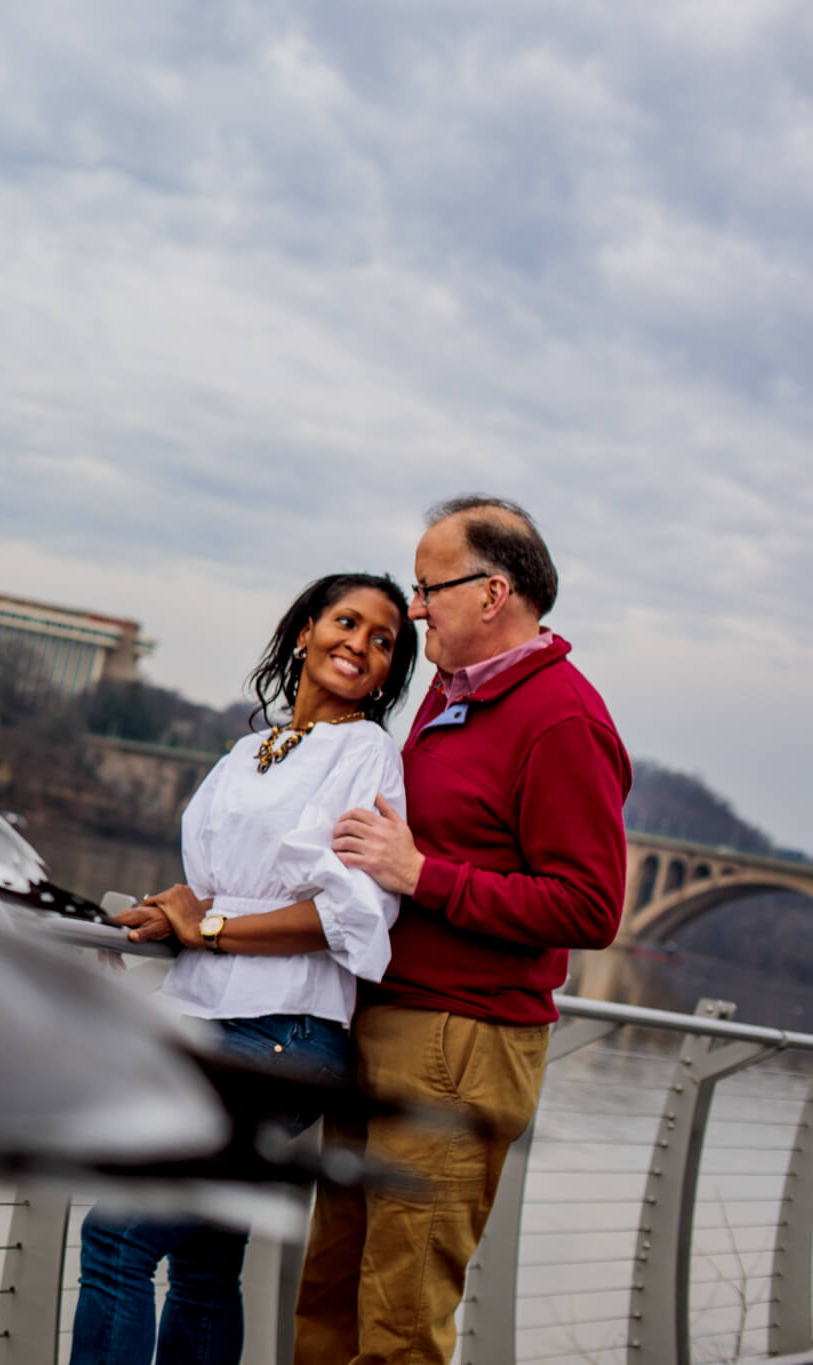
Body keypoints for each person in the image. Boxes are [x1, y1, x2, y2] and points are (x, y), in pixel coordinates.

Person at [292, 496, 632, 1365]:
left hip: (461, 1042)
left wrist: (423, 875)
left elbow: (590, 905)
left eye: (426, 587)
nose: (413, 609)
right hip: (382, 1020)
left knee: (400, 1326)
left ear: (492, 592)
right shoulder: (451, 695)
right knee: (329, 1303)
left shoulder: (562, 718)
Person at [71, 572, 419, 1365]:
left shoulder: (366, 754)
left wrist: (212, 926)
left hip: (282, 1037)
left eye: (382, 641)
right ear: (304, 630)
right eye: (346, 622)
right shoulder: (243, 753)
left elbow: (348, 917)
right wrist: (176, 909)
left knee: (119, 1236)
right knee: (201, 1267)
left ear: (387, 672)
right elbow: (223, 886)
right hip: (205, 1022)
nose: (359, 645)